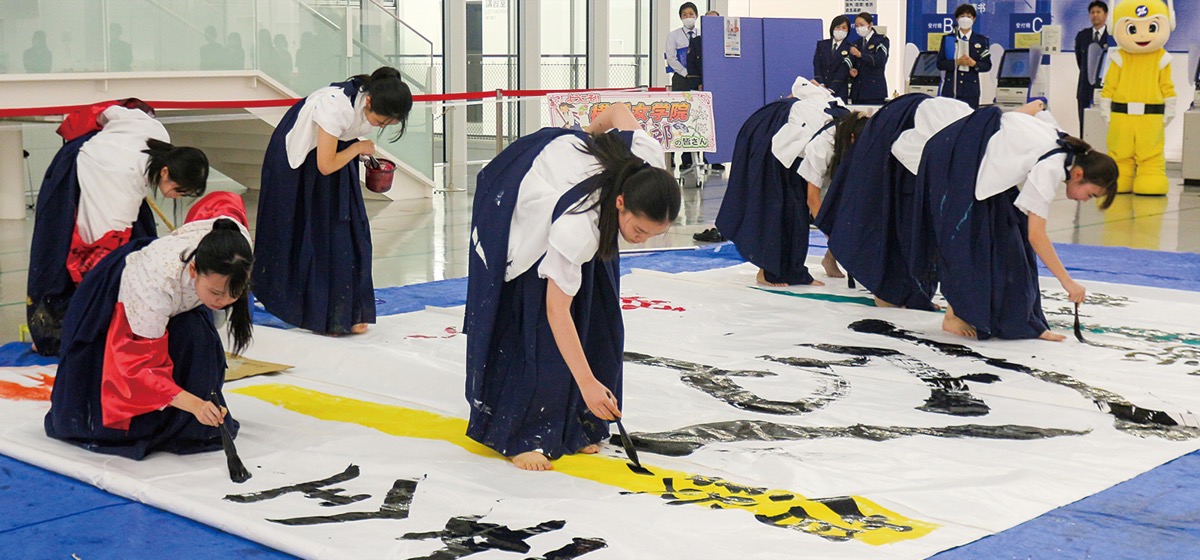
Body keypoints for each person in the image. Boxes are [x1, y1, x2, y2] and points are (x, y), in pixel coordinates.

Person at [463, 104, 681, 471]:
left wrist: (591, 136)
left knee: (600, 320)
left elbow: (619, 111)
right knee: (537, 330)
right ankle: (522, 434)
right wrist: (586, 382)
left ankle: (579, 424)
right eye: (639, 231)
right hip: (526, 189)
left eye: (652, 234)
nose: (641, 240)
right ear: (621, 203)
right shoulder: (579, 224)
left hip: (582, 193)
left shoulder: (647, 164)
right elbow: (556, 310)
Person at [44, 192, 253, 460]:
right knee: (118, 414)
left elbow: (224, 201)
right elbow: (139, 369)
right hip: (122, 294)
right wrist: (194, 404)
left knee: (198, 341)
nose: (223, 302)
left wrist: (200, 403)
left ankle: (187, 422)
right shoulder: (153, 282)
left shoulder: (235, 246)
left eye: (233, 294)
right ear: (193, 270)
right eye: (216, 293)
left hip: (182, 296)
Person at [910, 101, 1118, 340]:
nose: (1084, 200)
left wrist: (1036, 104)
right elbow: (1036, 236)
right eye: (1090, 195)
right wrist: (1067, 282)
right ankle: (954, 315)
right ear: (1079, 174)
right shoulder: (1051, 167)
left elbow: (1034, 111)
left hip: (970, 157)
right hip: (954, 158)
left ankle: (1021, 320)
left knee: (1009, 241)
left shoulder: (1061, 139)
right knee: (968, 244)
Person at [27, 104, 209, 356]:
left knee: (141, 245)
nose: (177, 197)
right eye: (179, 190)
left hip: (106, 165)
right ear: (165, 171)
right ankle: (56, 337)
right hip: (75, 176)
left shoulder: (158, 134)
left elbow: (112, 112)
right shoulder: (122, 186)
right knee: (69, 260)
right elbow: (94, 244)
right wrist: (104, 282)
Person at [253, 67, 412, 335]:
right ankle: (322, 317)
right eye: (381, 121)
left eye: (387, 124)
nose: (381, 126)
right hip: (300, 165)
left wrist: (356, 148)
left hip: (332, 156)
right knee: (314, 238)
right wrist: (358, 147)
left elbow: (338, 145)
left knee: (351, 232)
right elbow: (325, 165)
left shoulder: (367, 103)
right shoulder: (334, 105)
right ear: (369, 101)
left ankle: (350, 312)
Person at [815, 93, 970, 310]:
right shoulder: (827, 144)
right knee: (905, 230)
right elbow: (815, 197)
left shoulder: (948, 131)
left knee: (908, 230)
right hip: (907, 147)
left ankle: (900, 293)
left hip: (911, 142)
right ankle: (893, 293)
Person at [716, 77, 848, 287]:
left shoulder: (842, 115)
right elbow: (812, 200)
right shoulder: (825, 144)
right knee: (778, 204)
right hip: (766, 132)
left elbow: (806, 86)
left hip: (789, 137)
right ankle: (767, 271)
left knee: (795, 208)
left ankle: (794, 271)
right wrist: (833, 237)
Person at [799, 110, 869, 280]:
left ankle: (830, 256)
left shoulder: (856, 133)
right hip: (793, 167)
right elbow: (812, 199)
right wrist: (832, 237)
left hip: (831, 166)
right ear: (852, 138)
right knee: (798, 214)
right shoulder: (822, 146)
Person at [936, 4, 992, 109]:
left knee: (970, 117)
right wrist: (956, 62)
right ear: (957, 19)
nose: (965, 19)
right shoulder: (949, 39)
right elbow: (940, 64)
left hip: (971, 90)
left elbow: (987, 65)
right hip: (951, 89)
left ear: (974, 19)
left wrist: (974, 63)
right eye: (962, 16)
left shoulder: (981, 40)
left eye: (969, 16)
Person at [665, 2, 699, 171]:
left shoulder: (702, 34)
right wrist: (686, 73)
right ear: (680, 17)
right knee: (678, 116)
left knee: (696, 117)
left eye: (691, 14)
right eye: (684, 14)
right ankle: (671, 155)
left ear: (696, 16)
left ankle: (689, 158)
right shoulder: (674, 35)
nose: (688, 17)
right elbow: (671, 58)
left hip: (698, 79)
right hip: (681, 78)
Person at [1074, 2, 1111, 136]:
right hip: (1085, 88)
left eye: (1098, 12)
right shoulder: (1082, 36)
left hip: (1106, 88)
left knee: (1104, 126)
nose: (1095, 15)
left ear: (1106, 15)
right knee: (1085, 125)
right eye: (1092, 12)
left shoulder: (1112, 36)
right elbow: (1080, 61)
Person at [849, 13, 888, 105]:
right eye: (856, 26)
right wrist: (852, 70)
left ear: (870, 25)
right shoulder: (856, 43)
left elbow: (880, 60)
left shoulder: (881, 40)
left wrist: (861, 55)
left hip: (874, 91)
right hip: (857, 91)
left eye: (861, 25)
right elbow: (853, 62)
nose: (859, 28)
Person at [813, 15, 854, 102]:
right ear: (832, 28)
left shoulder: (851, 48)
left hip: (839, 93)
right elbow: (817, 64)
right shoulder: (822, 45)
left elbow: (843, 71)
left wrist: (830, 90)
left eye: (844, 28)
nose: (840, 30)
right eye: (838, 27)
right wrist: (821, 85)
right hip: (820, 90)